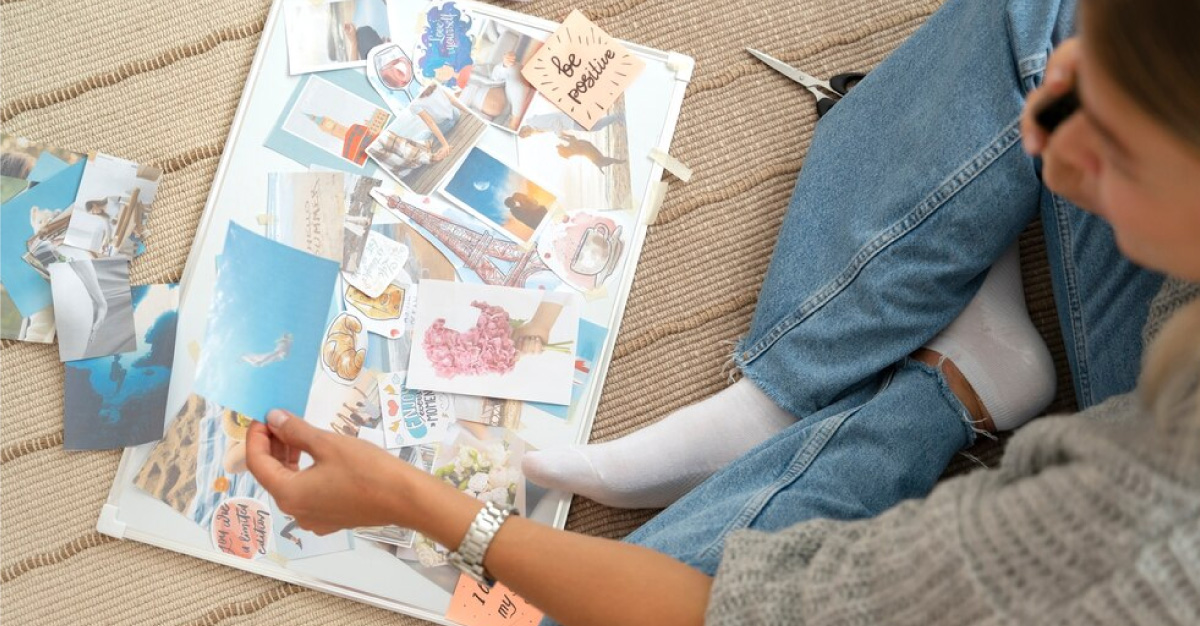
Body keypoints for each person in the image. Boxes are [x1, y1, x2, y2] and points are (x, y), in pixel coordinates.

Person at [247, 0, 1200, 623]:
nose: (1042, 129)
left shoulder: (1134, 535)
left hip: (1121, 513)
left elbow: (724, 613)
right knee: (1050, 17)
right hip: (1169, 344)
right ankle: (791, 392)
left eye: (1105, 140)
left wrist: (416, 501)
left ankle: (944, 386)